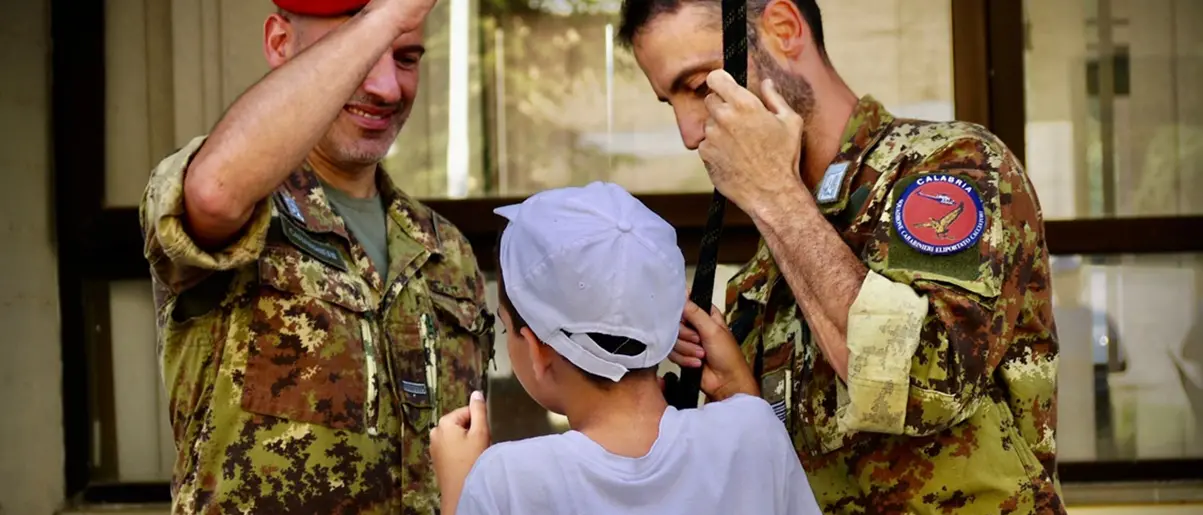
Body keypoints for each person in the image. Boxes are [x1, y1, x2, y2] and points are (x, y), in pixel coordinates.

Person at [616, 0, 1066, 513]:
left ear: (783, 29)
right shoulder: (763, 272)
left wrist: (773, 193)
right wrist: (739, 394)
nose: (689, 133)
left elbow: (926, 388)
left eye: (700, 87)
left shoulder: (950, 166)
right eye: (670, 103)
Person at [138, 0, 495, 512]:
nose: (387, 88)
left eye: (406, 58)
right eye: (356, 53)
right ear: (280, 44)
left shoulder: (446, 251)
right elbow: (214, 194)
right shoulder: (249, 209)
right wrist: (386, 18)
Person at [427, 182, 822, 514]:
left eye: (505, 326)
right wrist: (738, 394)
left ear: (537, 349)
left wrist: (461, 491)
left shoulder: (507, 482)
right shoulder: (753, 433)